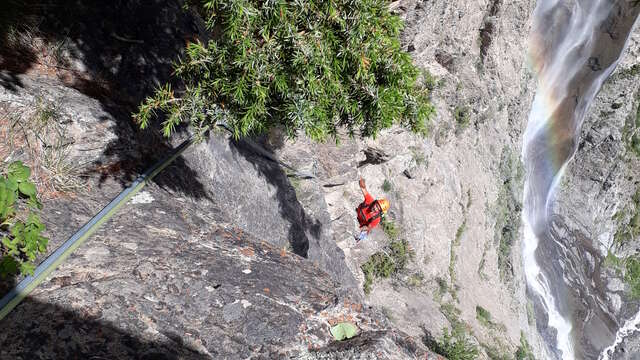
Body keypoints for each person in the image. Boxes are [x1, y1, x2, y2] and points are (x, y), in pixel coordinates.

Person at [354, 177, 390, 242]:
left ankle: (357, 239)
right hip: (357, 215)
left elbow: (367, 227)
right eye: (376, 205)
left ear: (380, 212)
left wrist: (357, 229)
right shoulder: (370, 201)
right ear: (375, 202)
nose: (375, 208)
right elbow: (363, 188)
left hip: (361, 226)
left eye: (378, 209)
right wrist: (360, 177)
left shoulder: (376, 219)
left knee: (362, 233)